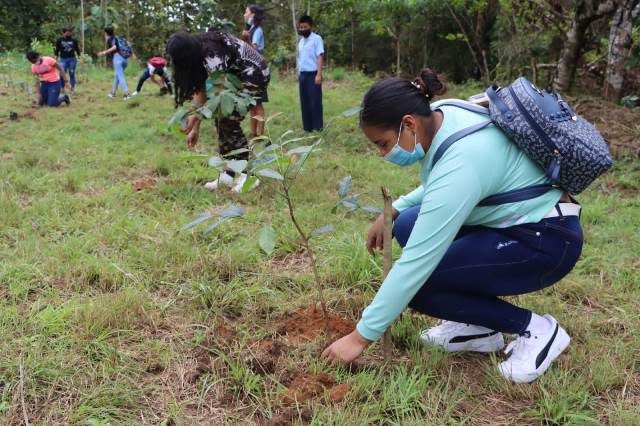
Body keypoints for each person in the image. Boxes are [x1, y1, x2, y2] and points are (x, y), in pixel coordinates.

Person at [321, 69, 584, 384]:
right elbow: (445, 182)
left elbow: (417, 261)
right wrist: (394, 209)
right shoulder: (449, 112)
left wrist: (360, 338)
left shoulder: (464, 158)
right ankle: (479, 327)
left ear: (408, 123)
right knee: (406, 223)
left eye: (384, 143)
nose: (383, 154)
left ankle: (537, 329)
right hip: (516, 224)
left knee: (418, 286)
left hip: (546, 242)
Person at [166, 30, 270, 193]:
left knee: (229, 118)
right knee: (221, 117)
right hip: (236, 77)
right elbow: (201, 90)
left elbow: (216, 96)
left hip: (254, 73)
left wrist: (196, 117)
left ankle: (247, 176)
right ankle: (229, 174)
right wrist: (195, 128)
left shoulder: (211, 53)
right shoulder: (197, 56)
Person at [241, 4, 267, 138]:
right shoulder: (251, 29)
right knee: (252, 103)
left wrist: (247, 40)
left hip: (257, 71)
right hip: (250, 70)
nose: (244, 15)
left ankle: (261, 134)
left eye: (246, 12)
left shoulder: (258, 31)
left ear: (253, 15)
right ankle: (253, 133)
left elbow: (254, 50)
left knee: (258, 103)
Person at [297, 15, 324, 132]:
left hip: (313, 74)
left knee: (315, 101)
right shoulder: (301, 42)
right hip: (302, 75)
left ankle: (317, 128)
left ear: (311, 26)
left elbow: (320, 56)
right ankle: (307, 128)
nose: (303, 29)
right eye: (301, 27)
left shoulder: (317, 39)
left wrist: (319, 74)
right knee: (304, 101)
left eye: (305, 27)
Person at [97, 27, 132, 100]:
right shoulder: (118, 37)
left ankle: (127, 93)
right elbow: (129, 44)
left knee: (120, 76)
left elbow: (115, 47)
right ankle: (112, 93)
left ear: (106, 33)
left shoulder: (110, 39)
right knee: (118, 75)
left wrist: (104, 52)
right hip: (125, 59)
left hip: (117, 58)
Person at [54, 27, 81, 95]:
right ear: (64, 32)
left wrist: (79, 57)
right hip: (63, 59)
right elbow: (57, 50)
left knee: (72, 73)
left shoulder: (74, 40)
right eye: (68, 32)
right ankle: (62, 88)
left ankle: (72, 89)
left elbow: (77, 49)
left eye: (70, 32)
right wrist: (55, 59)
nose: (69, 33)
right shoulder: (59, 40)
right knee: (62, 74)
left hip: (72, 59)